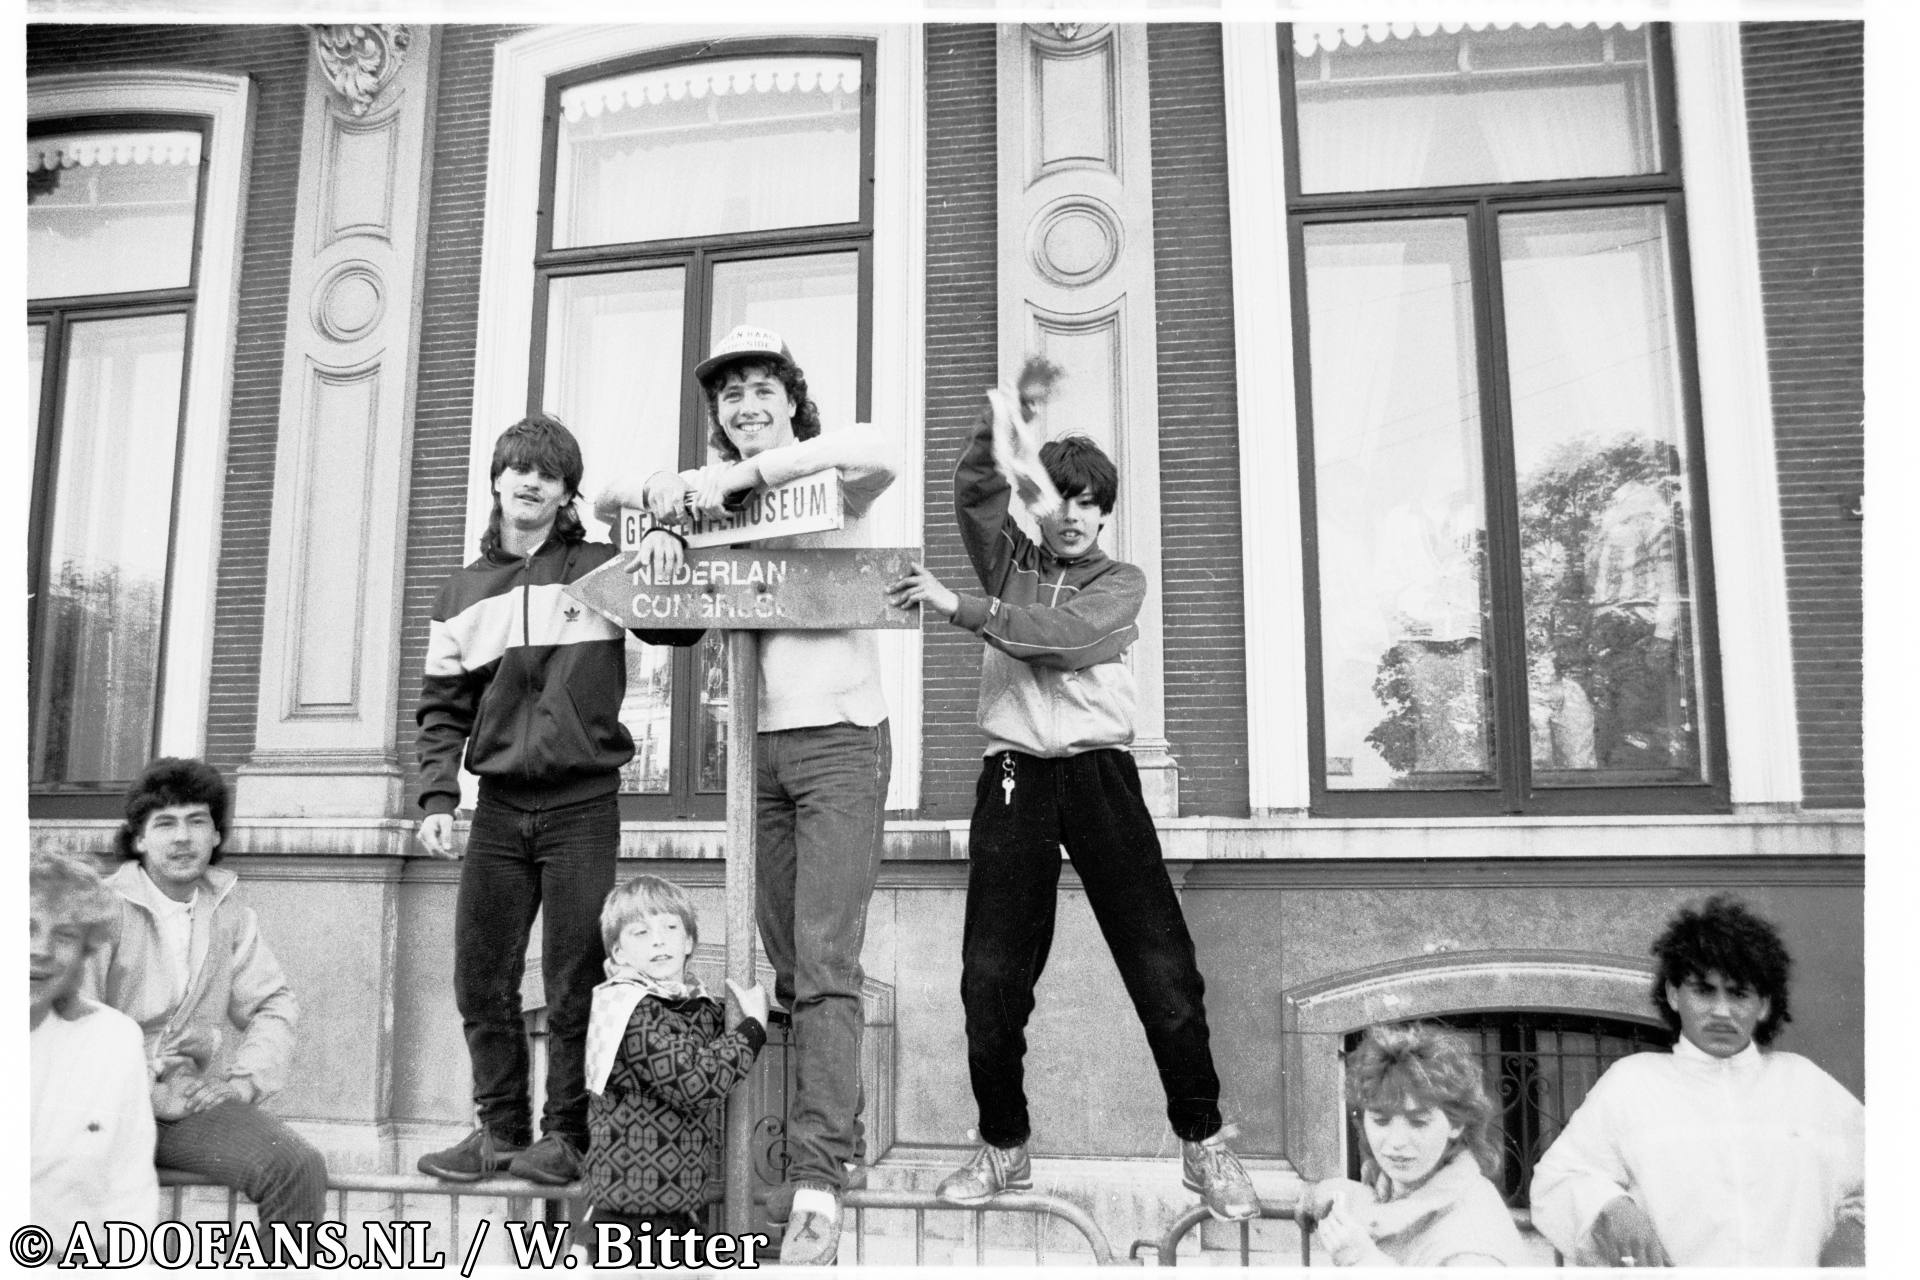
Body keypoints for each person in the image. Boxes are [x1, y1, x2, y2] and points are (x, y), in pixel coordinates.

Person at [886, 379, 1258, 1223]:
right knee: (990, 978)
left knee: (1162, 967)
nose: (1075, 517)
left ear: (1104, 512)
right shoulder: (1011, 564)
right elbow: (974, 493)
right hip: (1014, 775)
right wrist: (999, 425)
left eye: (1090, 504)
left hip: (1100, 776)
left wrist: (960, 608)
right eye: (1060, 501)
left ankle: (1204, 1142)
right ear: (1039, 504)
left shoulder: (1121, 582)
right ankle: (1003, 1145)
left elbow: (1067, 640)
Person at [596, 325, 898, 1264]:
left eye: (764, 388)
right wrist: (665, 507)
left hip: (841, 739)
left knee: (828, 961)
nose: (748, 405)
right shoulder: (707, 496)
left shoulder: (827, 474)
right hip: (754, 758)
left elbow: (881, 447)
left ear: (791, 399)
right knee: (789, 971)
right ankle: (796, 1163)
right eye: (731, 395)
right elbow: (607, 498)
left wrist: (743, 478)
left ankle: (817, 1182)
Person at [415, 413, 702, 1186]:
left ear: (567, 491)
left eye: (549, 473)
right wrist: (437, 796)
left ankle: (567, 1135)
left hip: (582, 805)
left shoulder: (600, 568)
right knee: (481, 978)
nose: (532, 482)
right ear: (497, 480)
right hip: (498, 809)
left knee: (576, 979)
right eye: (521, 469)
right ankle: (499, 1132)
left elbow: (681, 633)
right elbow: (441, 707)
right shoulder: (461, 592)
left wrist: (664, 549)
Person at [1530, 894, 1866, 1266]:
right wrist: (1611, 1206)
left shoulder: (1806, 1086)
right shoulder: (1633, 1084)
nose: (1721, 1011)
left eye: (1738, 994)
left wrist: (1853, 1240)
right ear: (1674, 994)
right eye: (1704, 991)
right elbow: (1557, 1181)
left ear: (1764, 1004)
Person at [85, 757, 327, 1235]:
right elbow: (75, 1024)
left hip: (181, 1105)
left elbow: (273, 1004)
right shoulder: (100, 910)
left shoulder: (229, 913)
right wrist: (147, 1092)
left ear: (216, 835)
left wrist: (241, 1085)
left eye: (197, 821)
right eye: (165, 824)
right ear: (139, 839)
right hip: (96, 1105)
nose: (182, 838)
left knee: (295, 1166)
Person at [579, 875, 768, 1255]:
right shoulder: (629, 1009)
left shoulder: (690, 1003)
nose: (658, 940)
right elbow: (694, 1083)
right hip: (627, 1213)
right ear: (618, 954)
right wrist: (753, 1029)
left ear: (689, 942)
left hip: (678, 1207)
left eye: (670, 927)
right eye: (640, 932)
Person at [1298, 1023, 1527, 1267]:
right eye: (1381, 1121)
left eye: (1418, 1122)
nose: (1396, 1142)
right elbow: (1383, 1202)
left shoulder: (1473, 1250)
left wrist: (1365, 1261)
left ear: (1456, 1123)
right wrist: (1318, 1196)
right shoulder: (1403, 1182)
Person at [32, 850, 159, 1251]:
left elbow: (131, 1192)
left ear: (86, 953)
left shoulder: (113, 1041)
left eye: (65, 936)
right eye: (23, 928)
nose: (40, 949)